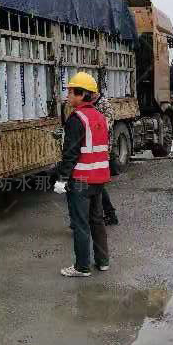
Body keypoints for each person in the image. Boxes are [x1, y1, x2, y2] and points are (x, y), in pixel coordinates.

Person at [53, 72, 111, 277]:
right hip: (99, 178)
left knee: (80, 223)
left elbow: (71, 153)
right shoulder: (100, 116)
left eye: (71, 92)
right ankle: (103, 261)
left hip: (81, 181)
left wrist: (62, 179)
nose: (68, 96)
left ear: (82, 94)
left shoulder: (76, 119)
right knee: (97, 221)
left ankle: (82, 267)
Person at [92, 89, 119, 226]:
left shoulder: (104, 105)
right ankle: (107, 214)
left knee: (98, 185)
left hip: (101, 149)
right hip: (94, 149)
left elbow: (106, 124)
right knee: (96, 184)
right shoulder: (91, 104)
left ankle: (109, 214)